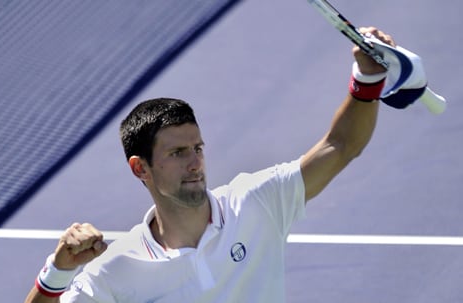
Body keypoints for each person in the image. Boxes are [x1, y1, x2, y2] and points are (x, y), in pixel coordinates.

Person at [25, 27, 397, 302]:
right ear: (140, 168)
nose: (195, 163)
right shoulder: (115, 269)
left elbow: (341, 145)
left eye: (197, 148)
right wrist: (57, 273)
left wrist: (368, 79)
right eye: (177, 153)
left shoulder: (256, 201)